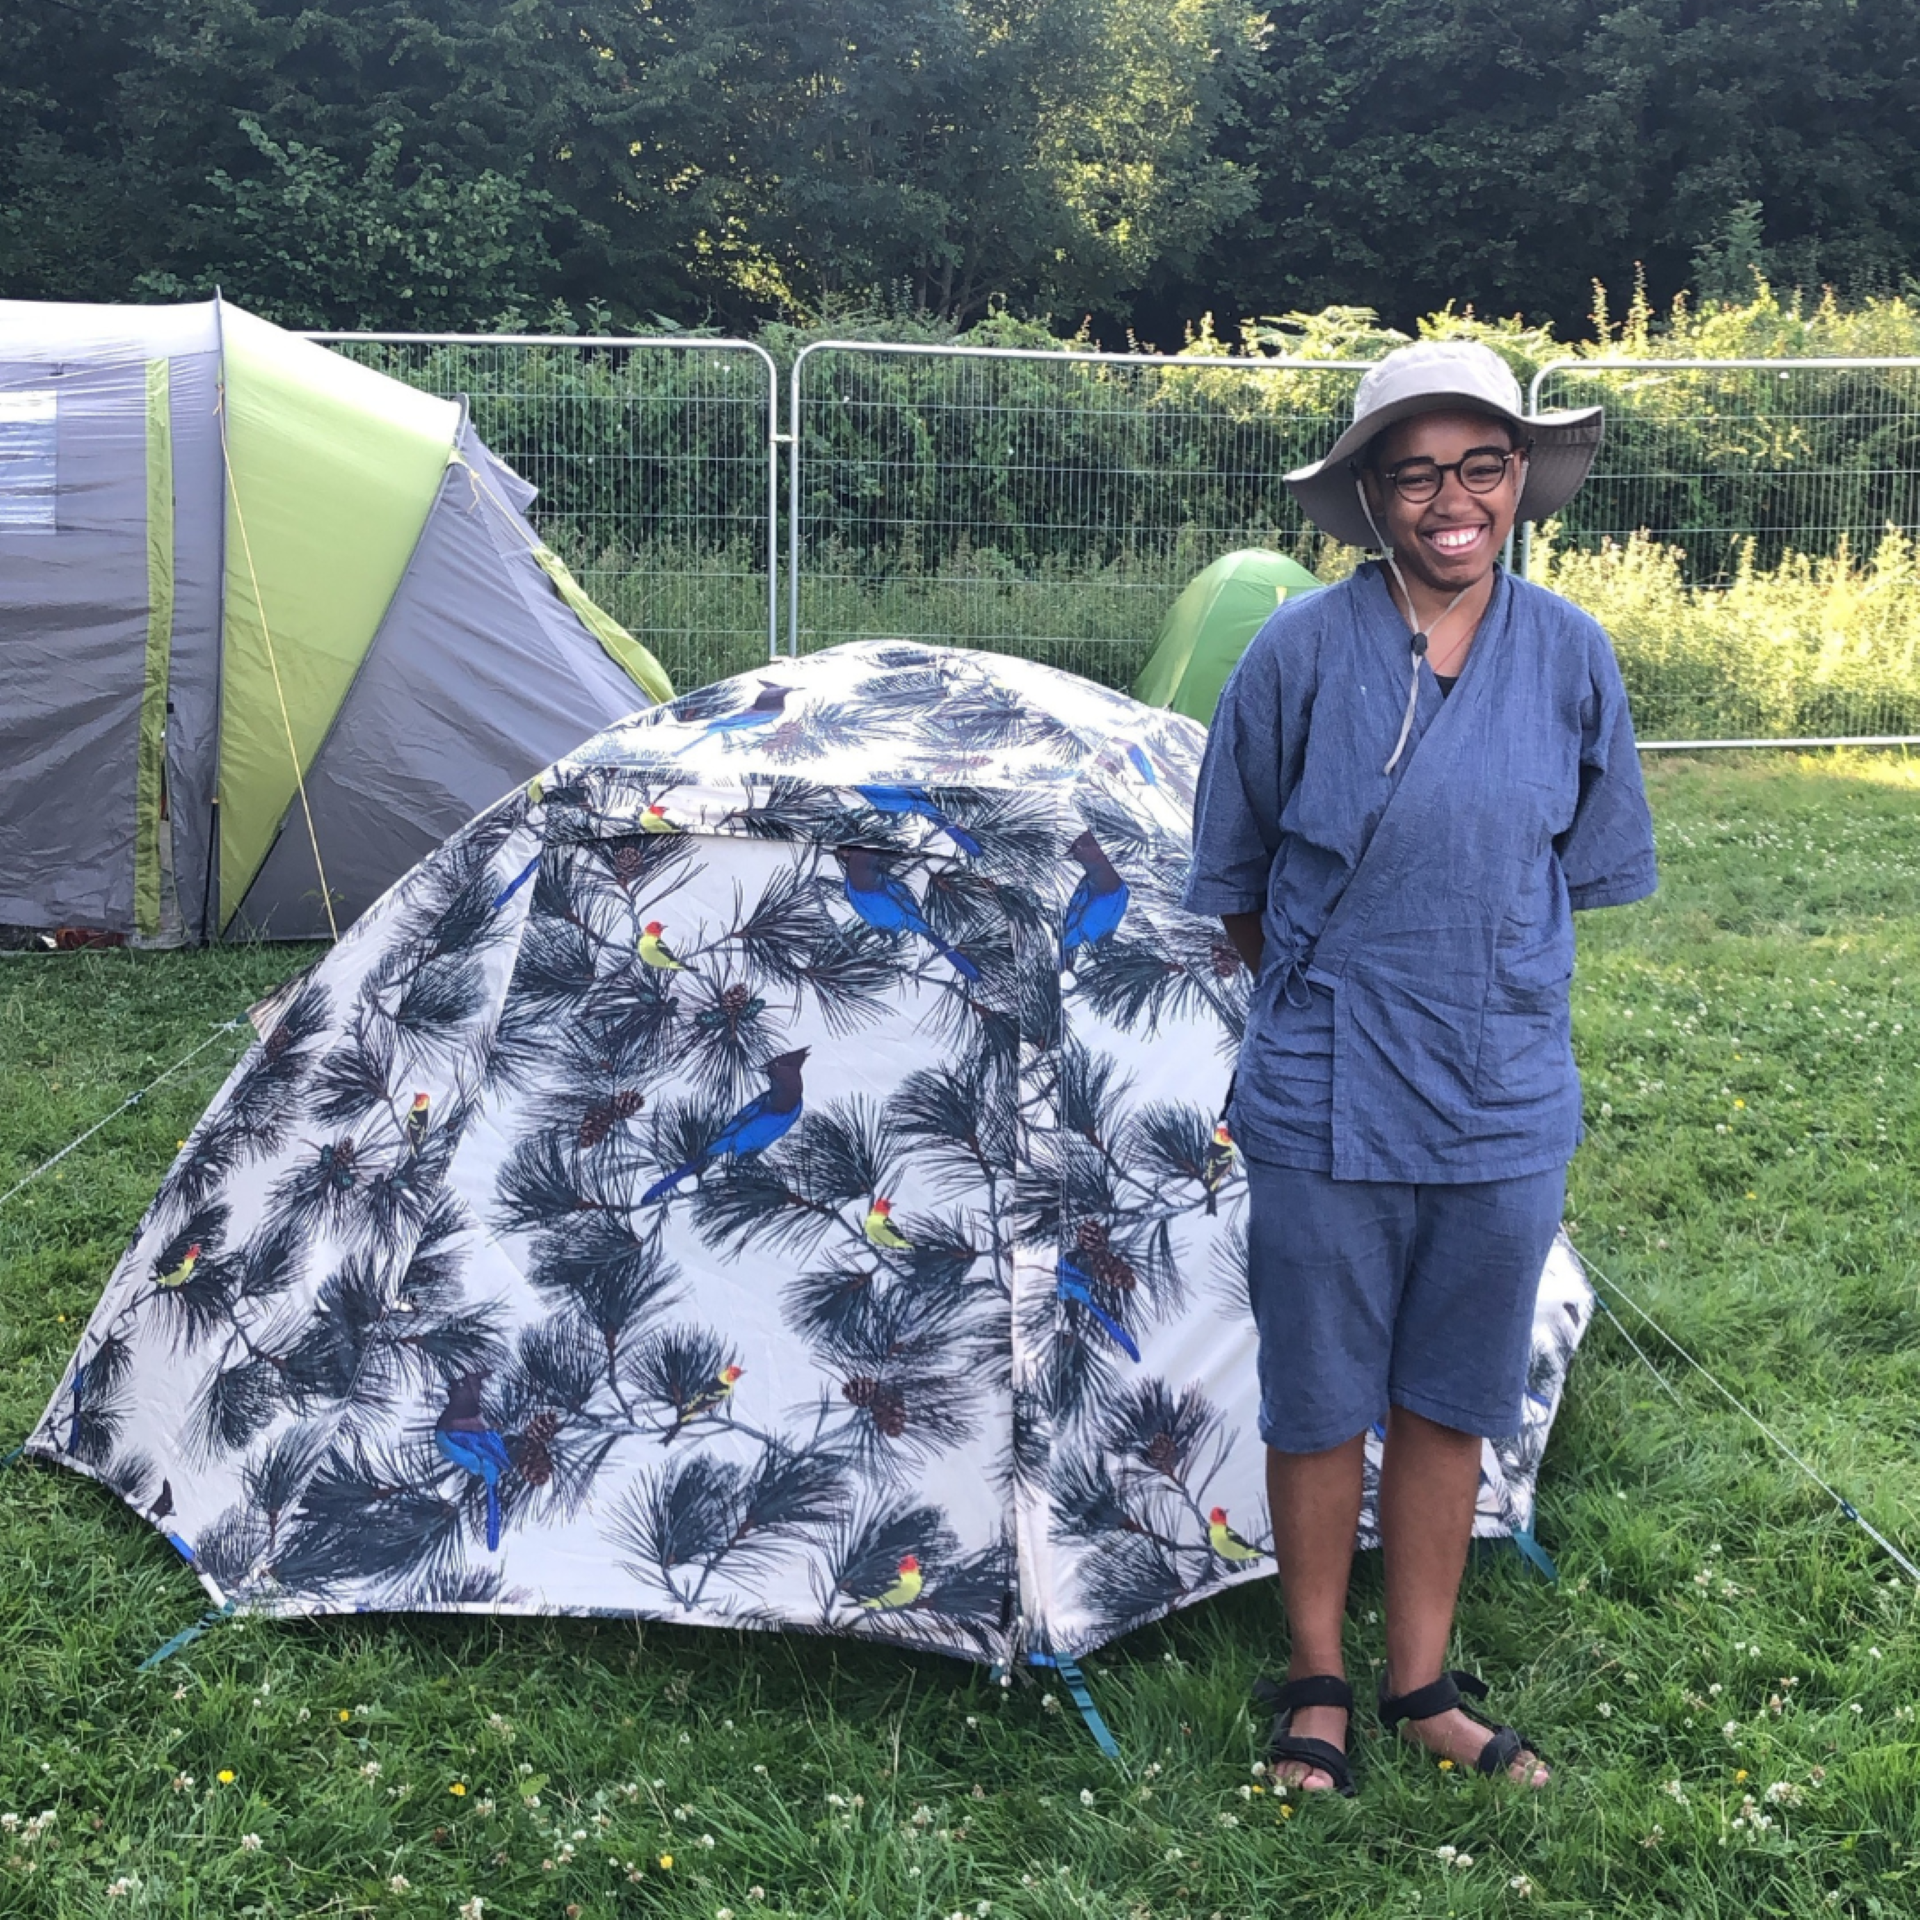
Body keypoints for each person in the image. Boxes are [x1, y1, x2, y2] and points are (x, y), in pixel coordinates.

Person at [1182, 339, 1657, 1794]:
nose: (1453, 502)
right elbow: (1237, 880)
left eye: (1482, 468)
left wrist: (1474, 991)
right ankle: (1317, 1684)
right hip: (1325, 1093)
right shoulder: (1294, 656)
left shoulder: (1572, 653)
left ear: (1521, 481)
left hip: (1504, 1096)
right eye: (1415, 476)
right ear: (1371, 497)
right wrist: (1331, 1007)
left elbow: (1572, 872)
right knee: (1322, 1398)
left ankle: (1422, 1689)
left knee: (1452, 1396)